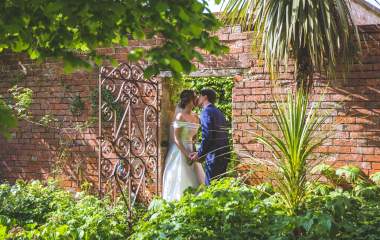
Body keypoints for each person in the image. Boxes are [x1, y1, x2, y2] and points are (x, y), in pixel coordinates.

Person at [162, 90, 205, 201]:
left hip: (192, 149)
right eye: (194, 98)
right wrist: (186, 153)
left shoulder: (196, 117)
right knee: (181, 176)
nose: (197, 100)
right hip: (179, 150)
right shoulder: (180, 116)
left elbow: (195, 137)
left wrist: (195, 151)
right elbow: (176, 138)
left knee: (196, 177)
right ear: (189, 100)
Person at [190, 89, 229, 185]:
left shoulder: (206, 112)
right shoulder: (219, 112)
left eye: (199, 96)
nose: (198, 98)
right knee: (220, 187)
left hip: (214, 157)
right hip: (224, 154)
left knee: (211, 188)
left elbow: (207, 136)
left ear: (205, 97)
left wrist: (199, 154)